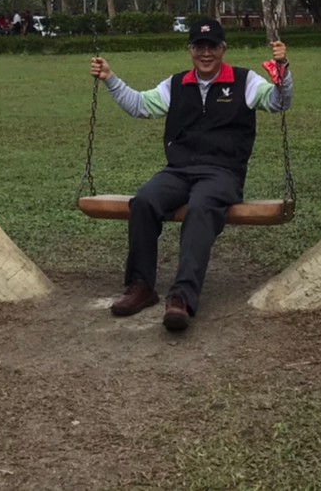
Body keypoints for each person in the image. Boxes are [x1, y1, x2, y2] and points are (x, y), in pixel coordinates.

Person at [89, 18, 292, 332]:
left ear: (223, 49)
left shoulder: (245, 81)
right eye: (199, 46)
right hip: (179, 170)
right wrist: (110, 78)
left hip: (223, 174)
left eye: (212, 47)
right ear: (190, 50)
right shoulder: (177, 84)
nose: (206, 53)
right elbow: (140, 106)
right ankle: (141, 286)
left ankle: (181, 297)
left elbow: (279, 102)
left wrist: (283, 72)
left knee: (200, 208)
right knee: (144, 201)